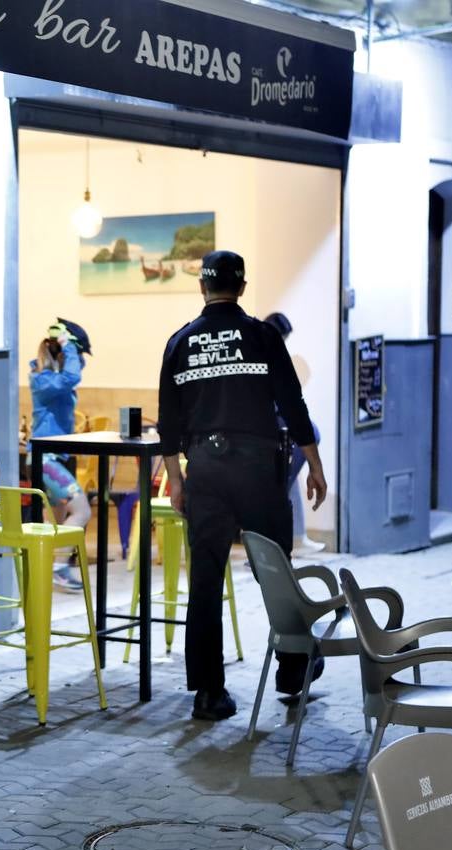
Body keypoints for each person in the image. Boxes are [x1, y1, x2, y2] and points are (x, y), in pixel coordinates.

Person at [157, 251, 328, 721]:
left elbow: (168, 425)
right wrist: (313, 464)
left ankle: (209, 693)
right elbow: (292, 405)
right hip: (258, 470)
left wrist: (175, 480)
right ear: (243, 286)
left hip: (206, 471)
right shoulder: (262, 335)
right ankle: (294, 668)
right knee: (274, 571)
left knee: (207, 580)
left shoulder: (180, 343)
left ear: (202, 288)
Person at [29, 319, 92, 590]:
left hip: (54, 458)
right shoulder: (43, 379)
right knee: (81, 510)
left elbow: (76, 372)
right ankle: (59, 566)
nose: (79, 361)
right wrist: (68, 347)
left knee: (52, 516)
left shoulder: (54, 378)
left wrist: (70, 349)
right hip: (45, 460)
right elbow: (72, 376)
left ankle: (45, 567)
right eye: (77, 356)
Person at [263, 312, 326, 556]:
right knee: (282, 483)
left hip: (282, 433)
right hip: (275, 434)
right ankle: (288, 538)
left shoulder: (268, 355)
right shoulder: (266, 357)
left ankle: (297, 537)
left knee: (286, 481)